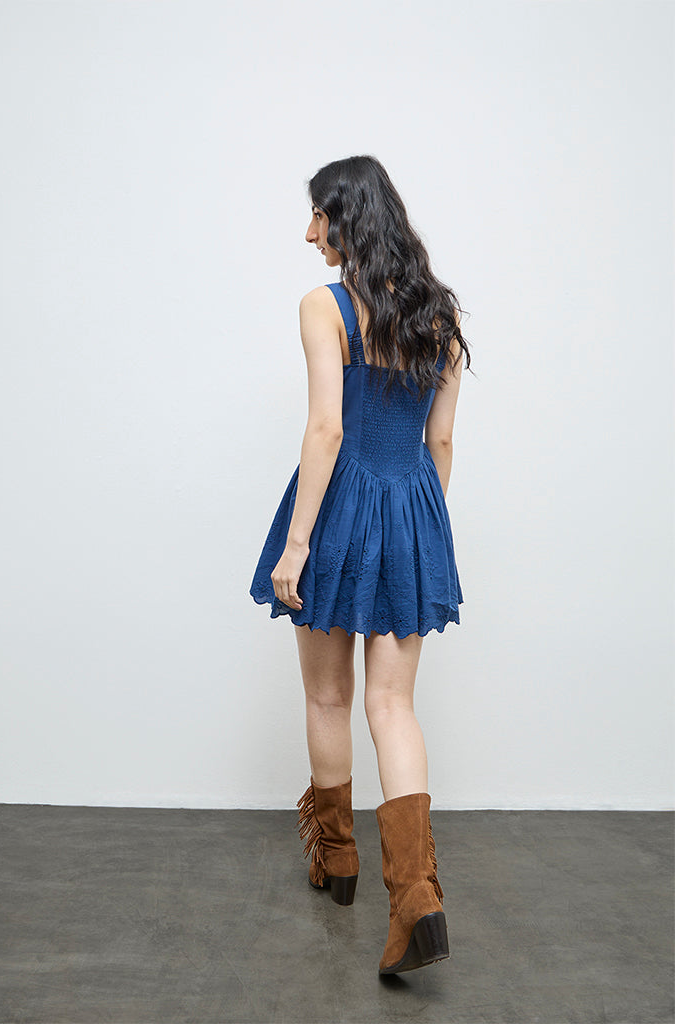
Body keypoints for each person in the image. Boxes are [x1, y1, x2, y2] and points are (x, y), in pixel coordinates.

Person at [249, 155, 472, 975]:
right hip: (414, 511)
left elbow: (327, 430)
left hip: (339, 511)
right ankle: (416, 897)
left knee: (327, 694)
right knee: (393, 705)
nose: (310, 232)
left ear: (349, 217)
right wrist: (419, 528)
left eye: (320, 215)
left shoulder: (327, 306)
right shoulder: (441, 316)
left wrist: (298, 543)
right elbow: (440, 442)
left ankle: (337, 858)